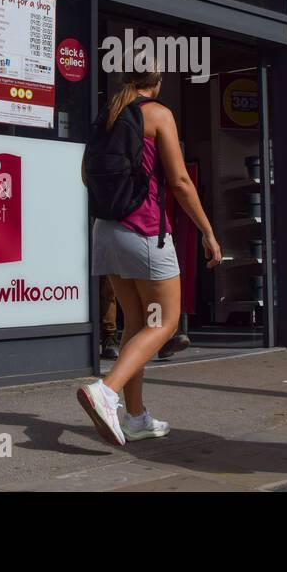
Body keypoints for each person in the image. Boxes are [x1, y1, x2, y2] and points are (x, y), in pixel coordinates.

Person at [77, 69, 222, 446]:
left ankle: (136, 418)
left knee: (137, 322)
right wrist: (207, 230)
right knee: (166, 322)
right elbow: (179, 181)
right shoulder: (157, 113)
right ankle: (106, 392)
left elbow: (84, 175)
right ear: (157, 82)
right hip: (143, 231)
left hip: (106, 230)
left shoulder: (109, 111)